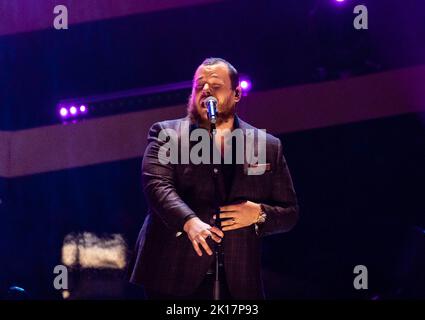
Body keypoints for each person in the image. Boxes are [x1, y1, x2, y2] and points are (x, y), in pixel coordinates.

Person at [130, 57, 299, 300]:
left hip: (238, 280)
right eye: (199, 86)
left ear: (237, 94)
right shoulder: (167, 133)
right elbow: (157, 185)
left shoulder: (266, 145)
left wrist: (259, 214)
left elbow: (290, 212)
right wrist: (189, 221)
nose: (206, 90)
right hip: (173, 274)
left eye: (216, 86)